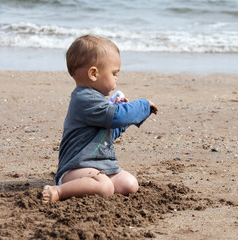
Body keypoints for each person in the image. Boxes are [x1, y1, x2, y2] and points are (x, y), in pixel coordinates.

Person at [42, 34, 158, 203]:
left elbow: (110, 130)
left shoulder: (98, 103)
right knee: (105, 187)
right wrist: (142, 105)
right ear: (94, 74)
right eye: (114, 73)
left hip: (101, 166)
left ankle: (94, 184)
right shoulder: (84, 99)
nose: (116, 78)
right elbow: (116, 117)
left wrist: (125, 117)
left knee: (130, 184)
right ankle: (59, 191)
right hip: (76, 168)